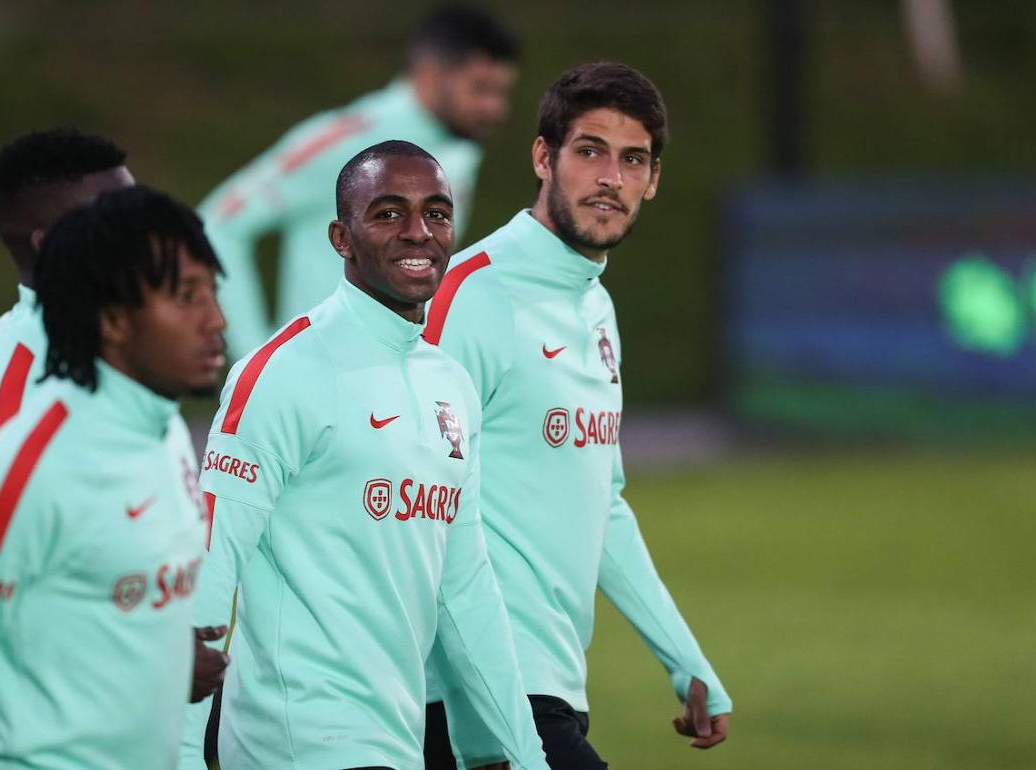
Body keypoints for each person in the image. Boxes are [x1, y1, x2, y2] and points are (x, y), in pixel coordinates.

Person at [180, 141, 548, 770]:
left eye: (436, 213)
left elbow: (464, 589)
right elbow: (211, 570)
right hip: (298, 737)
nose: (418, 233)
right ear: (340, 238)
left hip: (395, 737)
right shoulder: (282, 373)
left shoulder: (451, 384)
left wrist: (519, 752)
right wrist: (184, 756)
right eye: (387, 213)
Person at [421, 63, 733, 770]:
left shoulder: (595, 309)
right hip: (468, 692)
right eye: (589, 150)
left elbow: (605, 504)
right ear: (543, 157)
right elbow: (400, 492)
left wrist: (684, 660)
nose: (610, 178)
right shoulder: (467, 294)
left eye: (633, 160)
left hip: (550, 682)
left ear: (653, 179)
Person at [0, 129, 228, 770]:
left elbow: (74, 592)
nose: (215, 319)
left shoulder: (144, 398)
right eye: (106, 214)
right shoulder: (17, 403)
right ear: (57, 245)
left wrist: (152, 648)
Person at [199, 4, 519, 360]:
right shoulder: (351, 136)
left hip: (402, 380)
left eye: (501, 92)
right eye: (480, 89)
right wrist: (257, 357)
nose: (494, 108)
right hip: (318, 380)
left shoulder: (460, 149)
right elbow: (217, 224)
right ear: (429, 74)